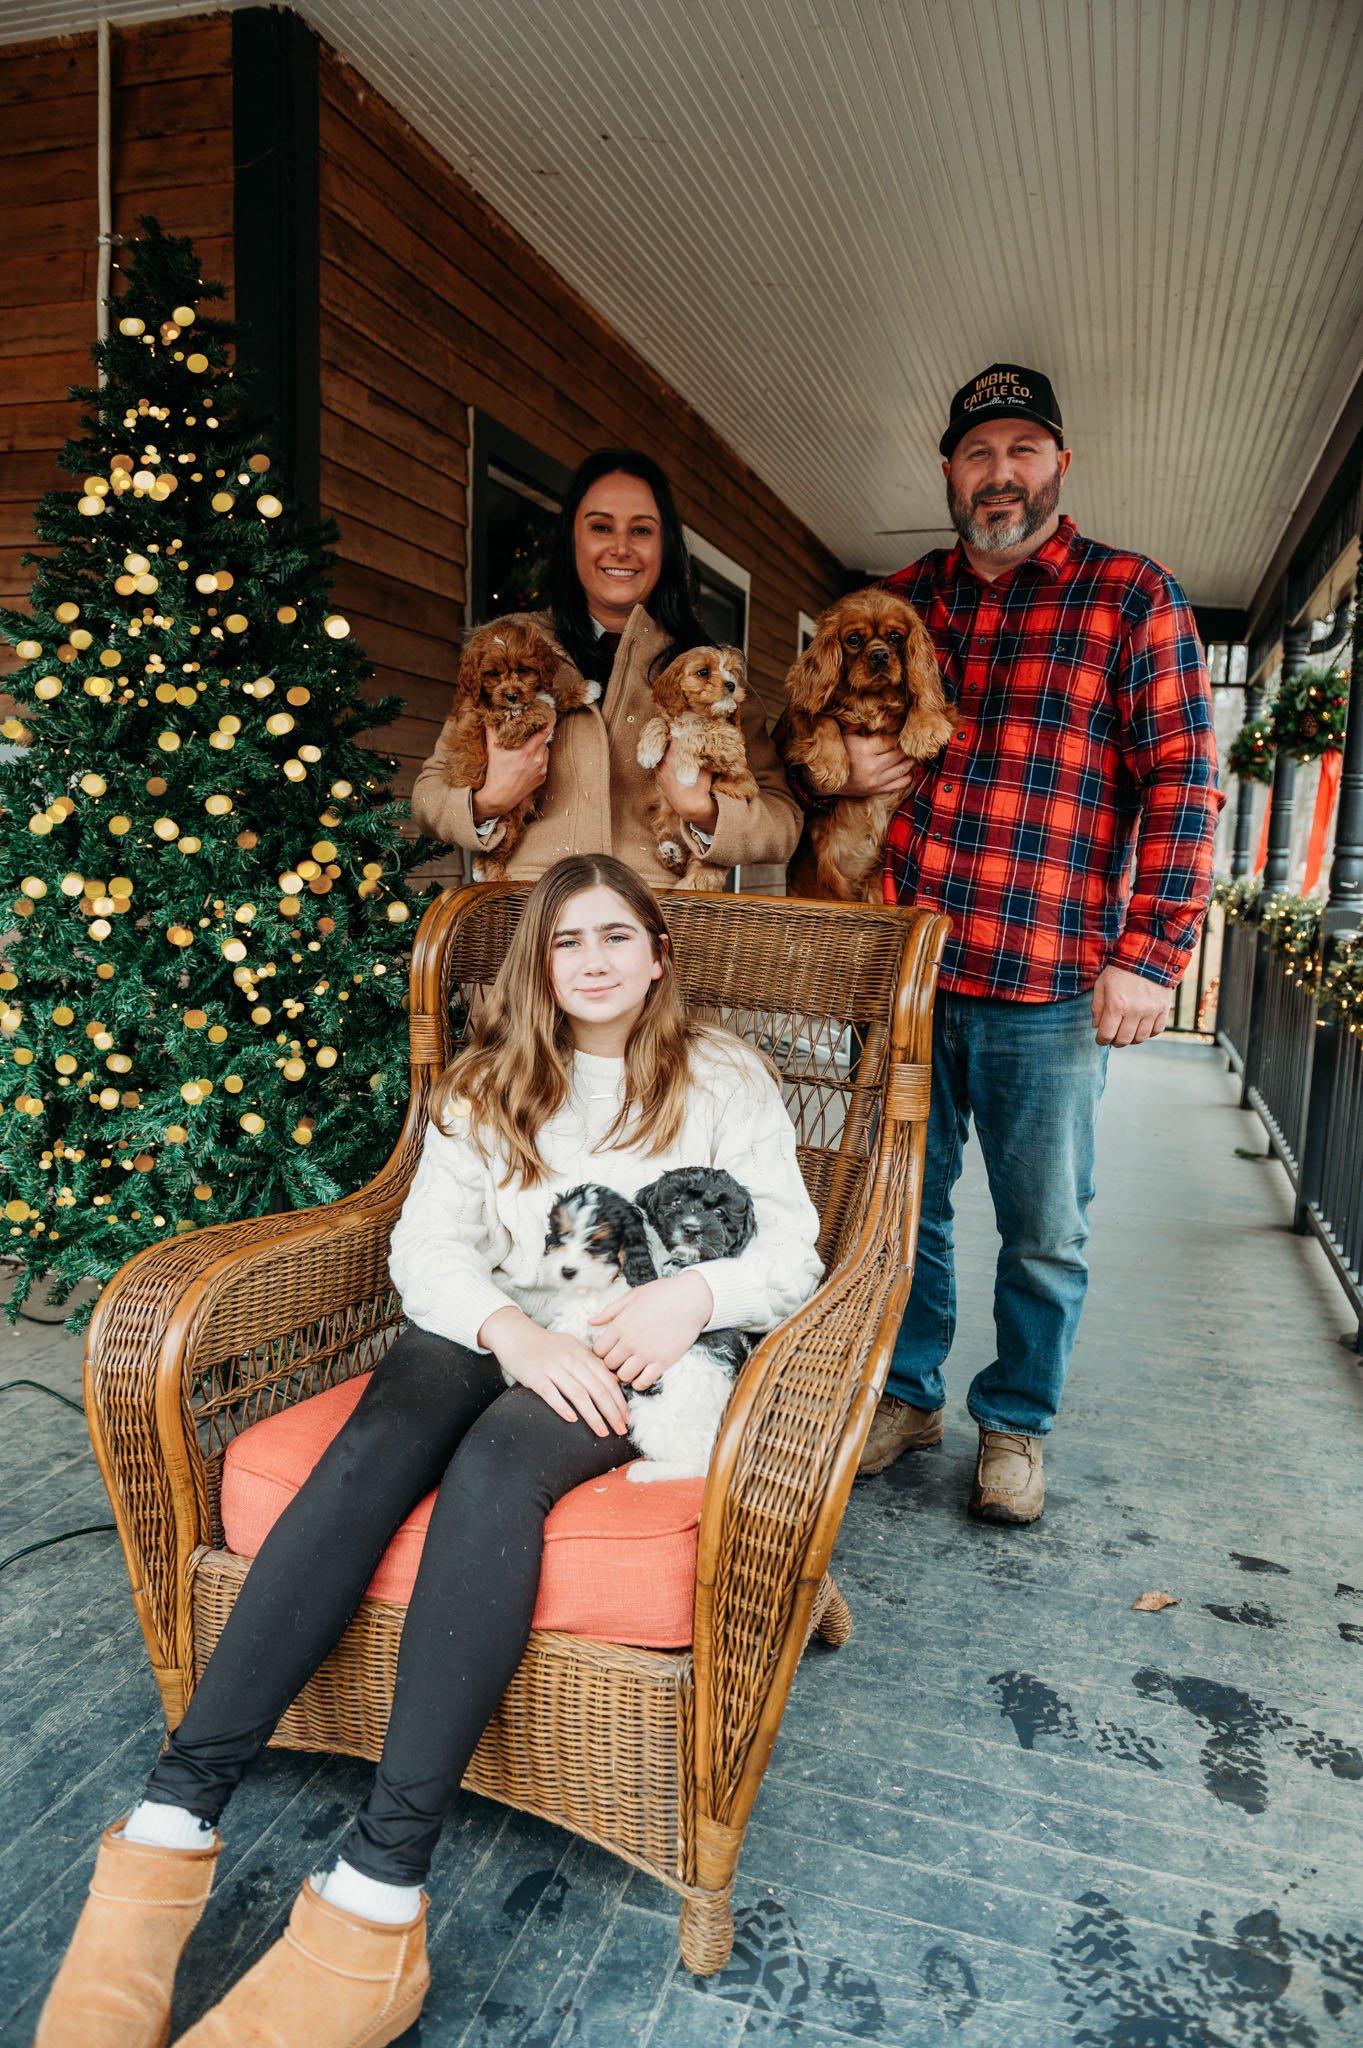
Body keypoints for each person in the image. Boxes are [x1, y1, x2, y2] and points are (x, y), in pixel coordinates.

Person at [36, 855, 823, 2048]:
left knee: (499, 1465)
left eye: (619, 935)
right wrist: (505, 1327)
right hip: (490, 1320)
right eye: (567, 941)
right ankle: (168, 1824)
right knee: (382, 1436)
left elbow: (798, 1252)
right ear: (539, 966)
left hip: (626, 1331)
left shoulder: (725, 1079)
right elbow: (425, 1248)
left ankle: (377, 1893)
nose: (595, 959)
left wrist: (692, 1293)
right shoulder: (486, 1082)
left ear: (659, 954)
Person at [818, 363, 1221, 1524]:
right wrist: (830, 765)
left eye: (1022, 452)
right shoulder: (901, 599)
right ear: (949, 471)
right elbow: (801, 720)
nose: (1000, 475)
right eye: (978, 453)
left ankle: (1016, 1422)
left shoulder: (1131, 596)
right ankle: (907, 1391)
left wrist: (1150, 952)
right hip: (907, 974)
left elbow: (1186, 781)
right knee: (905, 1204)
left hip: (1047, 983)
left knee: (1046, 1228)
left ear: (1058, 465)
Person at [412, 448, 801, 887]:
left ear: (665, 545)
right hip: (529, 912)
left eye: (641, 530)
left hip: (660, 922)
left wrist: (702, 811)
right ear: (572, 539)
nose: (621, 547)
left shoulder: (708, 670)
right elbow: (429, 796)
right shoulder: (513, 651)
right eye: (601, 527)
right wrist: (488, 800)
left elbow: (781, 821)